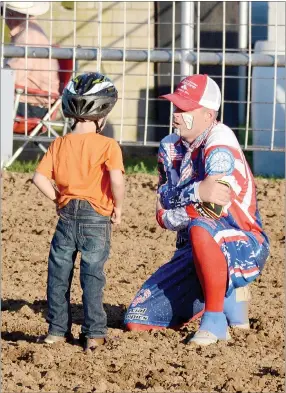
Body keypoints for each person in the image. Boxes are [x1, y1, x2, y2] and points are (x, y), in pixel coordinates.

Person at [125, 74, 270, 346]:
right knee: (137, 319)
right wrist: (197, 192)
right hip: (193, 248)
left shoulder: (221, 139)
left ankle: (215, 320)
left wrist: (180, 203)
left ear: (208, 115)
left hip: (245, 241)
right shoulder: (169, 146)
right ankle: (221, 294)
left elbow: (213, 206)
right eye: (176, 107)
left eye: (184, 109)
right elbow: (162, 214)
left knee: (201, 225)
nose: (176, 115)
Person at [32, 72, 125, 352]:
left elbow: (38, 178)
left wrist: (58, 198)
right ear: (102, 115)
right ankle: (94, 334)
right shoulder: (108, 145)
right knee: (92, 274)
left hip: (66, 216)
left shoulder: (59, 144)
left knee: (59, 273)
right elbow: (117, 179)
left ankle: (57, 331)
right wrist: (118, 207)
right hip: (97, 217)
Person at [2, 2, 59, 119]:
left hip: (30, 106)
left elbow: (12, 77)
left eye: (2, 12)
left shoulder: (27, 36)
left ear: (11, 13)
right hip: (30, 102)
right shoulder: (31, 31)